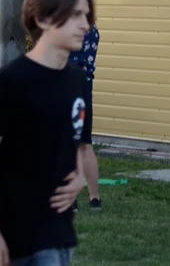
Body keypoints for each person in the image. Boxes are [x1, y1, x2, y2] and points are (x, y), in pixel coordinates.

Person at [0, 0, 93, 266]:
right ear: (42, 19)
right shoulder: (12, 81)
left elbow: (76, 142)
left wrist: (80, 176)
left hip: (62, 232)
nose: (86, 25)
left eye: (87, 16)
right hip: (19, 236)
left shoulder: (77, 79)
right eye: (76, 15)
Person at [67, 24, 101, 209]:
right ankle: (94, 198)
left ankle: (72, 199)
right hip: (85, 87)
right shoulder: (93, 30)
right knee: (85, 144)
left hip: (66, 85)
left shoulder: (67, 28)